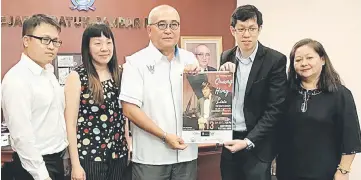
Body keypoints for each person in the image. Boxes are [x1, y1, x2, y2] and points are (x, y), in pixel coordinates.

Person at [119, 5, 200, 180]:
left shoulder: (190, 60)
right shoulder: (136, 63)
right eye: (162, 25)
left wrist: (201, 79)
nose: (169, 31)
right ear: (149, 30)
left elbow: (204, 101)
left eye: (174, 25)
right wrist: (164, 136)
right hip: (152, 157)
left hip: (187, 154)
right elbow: (129, 109)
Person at [219, 5, 288, 180]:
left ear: (259, 29)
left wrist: (248, 141)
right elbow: (220, 99)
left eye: (252, 29)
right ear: (232, 30)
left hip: (258, 144)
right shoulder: (226, 56)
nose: (246, 34)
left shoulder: (275, 60)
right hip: (229, 139)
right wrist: (221, 76)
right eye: (241, 29)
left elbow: (276, 108)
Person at [276, 38, 361, 180]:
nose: (304, 63)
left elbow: (350, 136)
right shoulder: (285, 93)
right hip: (287, 171)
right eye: (298, 60)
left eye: (309, 58)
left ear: (322, 60)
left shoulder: (340, 94)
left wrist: (343, 171)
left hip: (325, 172)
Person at [1, 14, 68, 180]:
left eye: (55, 41)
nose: (52, 47)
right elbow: (21, 136)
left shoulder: (49, 73)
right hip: (35, 168)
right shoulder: (17, 79)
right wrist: (42, 175)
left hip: (57, 159)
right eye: (45, 40)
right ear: (26, 41)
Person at [64, 23, 130, 180]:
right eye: (98, 43)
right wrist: (75, 164)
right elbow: (70, 124)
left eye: (108, 43)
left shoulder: (119, 74)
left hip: (118, 154)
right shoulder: (77, 77)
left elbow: (123, 115)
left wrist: (128, 145)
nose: (104, 48)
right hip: (90, 156)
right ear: (87, 47)